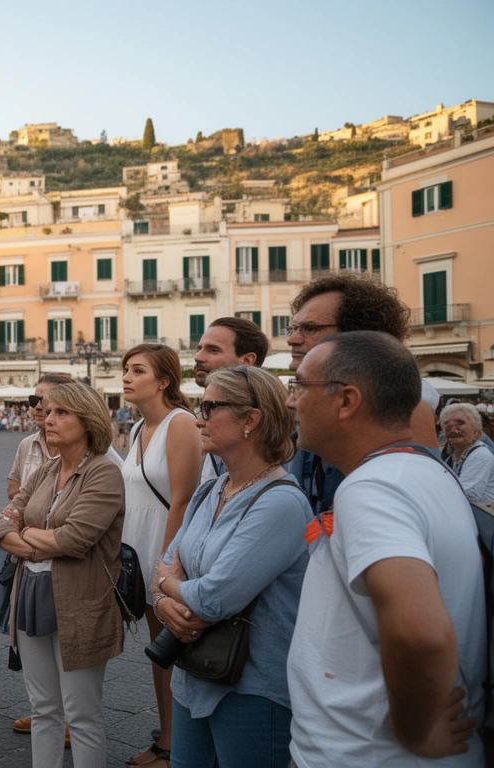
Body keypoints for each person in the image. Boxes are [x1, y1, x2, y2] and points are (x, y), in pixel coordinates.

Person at [287, 331, 486, 766]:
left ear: (347, 401)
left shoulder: (373, 489)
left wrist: (416, 733)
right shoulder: (423, 472)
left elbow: (422, 633)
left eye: (300, 386)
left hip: (364, 756)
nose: (290, 401)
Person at [151, 366, 310, 768]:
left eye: (209, 407)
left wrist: (167, 587)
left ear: (250, 420)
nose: (198, 419)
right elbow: (166, 564)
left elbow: (212, 599)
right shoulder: (211, 489)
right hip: (193, 675)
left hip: (251, 688)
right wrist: (164, 599)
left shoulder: (281, 503)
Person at [0, 382, 126, 768]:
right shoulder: (46, 470)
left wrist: (26, 533)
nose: (48, 418)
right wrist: (39, 540)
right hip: (31, 593)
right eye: (48, 411)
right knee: (43, 708)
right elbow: (2, 526)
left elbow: (74, 539)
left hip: (80, 605)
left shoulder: (104, 473)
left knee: (81, 714)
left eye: (61, 412)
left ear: (87, 420)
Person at [286, 273, 440, 515]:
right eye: (294, 328)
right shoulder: (321, 398)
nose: (292, 339)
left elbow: (415, 501)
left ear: (356, 333)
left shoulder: (408, 404)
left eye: (310, 328)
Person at [119, 344, 203, 767]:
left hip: (164, 556)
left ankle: (172, 746)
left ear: (164, 381)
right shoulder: (138, 428)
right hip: (137, 551)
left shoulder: (181, 422)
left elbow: (182, 500)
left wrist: (164, 568)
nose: (126, 377)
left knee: (172, 651)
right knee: (160, 651)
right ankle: (170, 736)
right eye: (126, 369)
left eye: (138, 370)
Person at [192, 317, 270, 482]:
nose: (198, 357)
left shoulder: (268, 429)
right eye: (199, 349)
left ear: (247, 361)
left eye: (213, 350)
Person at [440, 402, 494, 502]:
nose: (453, 429)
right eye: (447, 425)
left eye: (460, 423)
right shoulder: (452, 458)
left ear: (475, 427)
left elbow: (467, 495)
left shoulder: (480, 454)